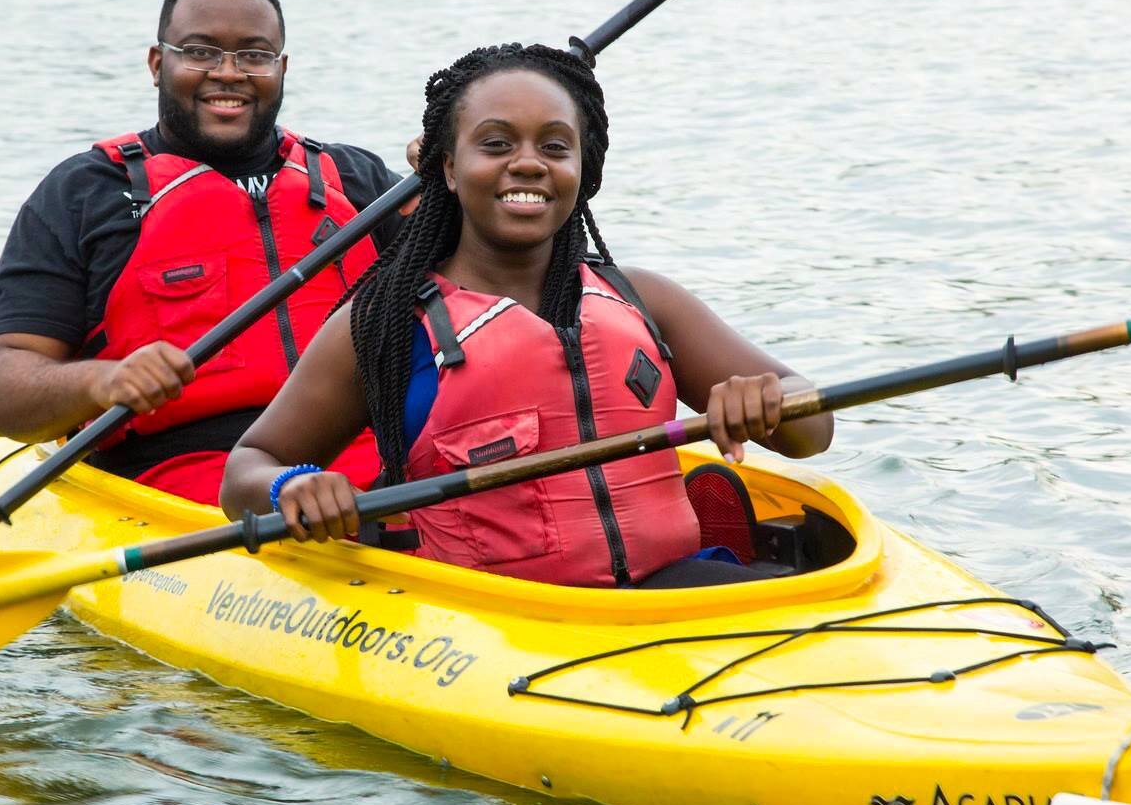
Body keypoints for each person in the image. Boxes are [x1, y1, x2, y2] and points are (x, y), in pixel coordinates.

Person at [220, 42, 834, 589]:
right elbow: (246, 469)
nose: (529, 163)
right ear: (448, 168)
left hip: (668, 593)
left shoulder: (643, 299)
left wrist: (772, 402)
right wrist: (289, 486)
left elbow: (814, 430)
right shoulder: (384, 322)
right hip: (497, 621)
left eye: (555, 146)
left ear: (581, 170)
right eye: (495, 144)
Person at [0, 0, 410, 505]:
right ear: (158, 64)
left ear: (282, 68)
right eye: (200, 51)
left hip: (381, 466)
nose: (228, 73)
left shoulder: (358, 180)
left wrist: (455, 175)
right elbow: (0, 391)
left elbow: (488, 280)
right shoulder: (85, 192)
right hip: (180, 484)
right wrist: (101, 382)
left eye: (254, 55)